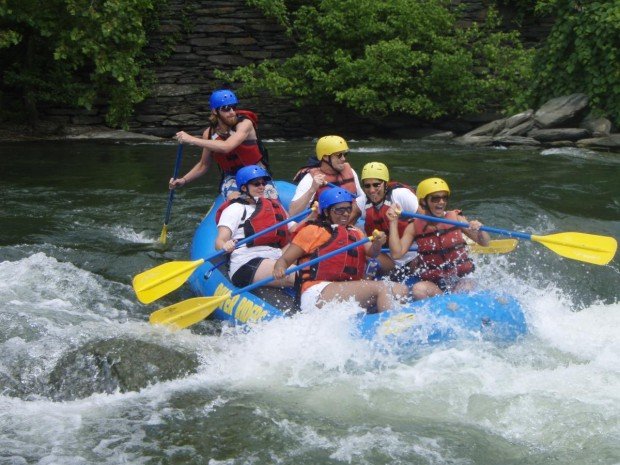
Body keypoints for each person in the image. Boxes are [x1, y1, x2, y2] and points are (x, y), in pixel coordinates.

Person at [273, 187, 409, 313]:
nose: (345, 214)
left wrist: (378, 243)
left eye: (348, 209)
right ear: (326, 211)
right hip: (316, 292)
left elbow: (372, 252)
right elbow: (284, 259)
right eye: (339, 210)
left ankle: (389, 322)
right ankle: (391, 327)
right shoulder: (312, 231)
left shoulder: (355, 232)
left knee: (400, 290)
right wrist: (280, 268)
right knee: (382, 288)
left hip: (346, 288)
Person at [387, 177, 490, 300]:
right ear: (424, 202)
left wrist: (480, 229)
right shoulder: (414, 226)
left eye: (444, 198)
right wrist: (393, 222)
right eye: (435, 198)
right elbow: (396, 254)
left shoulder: (456, 218)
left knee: (462, 291)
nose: (441, 202)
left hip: (462, 277)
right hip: (435, 282)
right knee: (418, 289)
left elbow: (484, 242)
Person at [171, 89, 276, 199]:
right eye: (226, 109)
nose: (232, 112)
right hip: (232, 176)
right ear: (215, 111)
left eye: (233, 107)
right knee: (235, 200)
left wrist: (191, 139)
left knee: (268, 200)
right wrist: (183, 180)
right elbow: (204, 165)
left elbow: (227, 146)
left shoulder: (244, 124)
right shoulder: (209, 134)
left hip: (255, 171)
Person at [215, 165, 294, 288]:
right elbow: (220, 241)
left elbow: (296, 230)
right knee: (300, 274)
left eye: (263, 183)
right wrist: (225, 245)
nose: (262, 187)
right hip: (246, 261)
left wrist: (313, 217)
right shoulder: (235, 209)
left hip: (276, 254)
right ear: (244, 187)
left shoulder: (274, 207)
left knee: (306, 248)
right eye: (256, 184)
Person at [356, 162, 419, 278]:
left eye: (376, 185)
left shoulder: (400, 195)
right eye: (367, 186)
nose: (372, 190)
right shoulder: (362, 201)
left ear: (385, 183)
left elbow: (425, 218)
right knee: (361, 253)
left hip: (411, 254)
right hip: (388, 259)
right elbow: (346, 223)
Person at [288, 135, 364, 217]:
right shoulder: (310, 179)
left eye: (345, 154)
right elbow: (292, 213)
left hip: (347, 221)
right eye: (339, 155)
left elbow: (362, 200)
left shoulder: (350, 171)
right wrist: (312, 189)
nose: (343, 159)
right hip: (323, 226)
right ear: (325, 157)